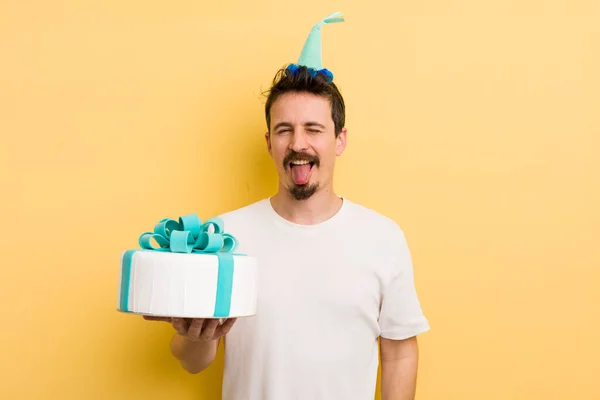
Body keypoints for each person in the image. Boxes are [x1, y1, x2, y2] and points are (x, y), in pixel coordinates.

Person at [144, 12, 430, 399]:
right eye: (284, 130)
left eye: (313, 129)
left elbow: (398, 353)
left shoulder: (383, 238)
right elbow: (194, 361)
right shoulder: (223, 239)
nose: (298, 143)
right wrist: (194, 334)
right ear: (269, 142)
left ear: (339, 140)